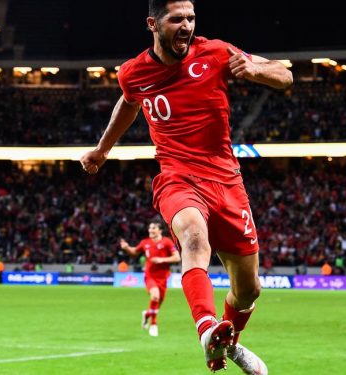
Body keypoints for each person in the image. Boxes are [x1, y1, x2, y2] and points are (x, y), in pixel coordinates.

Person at [80, 0, 291, 372]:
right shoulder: (133, 72)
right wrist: (102, 149)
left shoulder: (217, 51)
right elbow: (128, 104)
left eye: (191, 18)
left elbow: (284, 76)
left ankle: (229, 345)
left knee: (249, 289)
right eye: (176, 18)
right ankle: (208, 328)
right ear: (153, 24)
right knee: (194, 239)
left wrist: (254, 69)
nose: (186, 25)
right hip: (177, 176)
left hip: (227, 181)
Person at [120, 221, 180, 337]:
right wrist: (126, 248)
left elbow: (177, 257)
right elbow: (133, 253)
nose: (150, 230)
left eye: (153, 228)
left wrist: (162, 260)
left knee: (157, 304)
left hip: (163, 278)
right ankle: (153, 324)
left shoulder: (167, 242)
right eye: (149, 228)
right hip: (150, 276)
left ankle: (147, 314)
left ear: (160, 230)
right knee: (155, 296)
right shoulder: (145, 243)